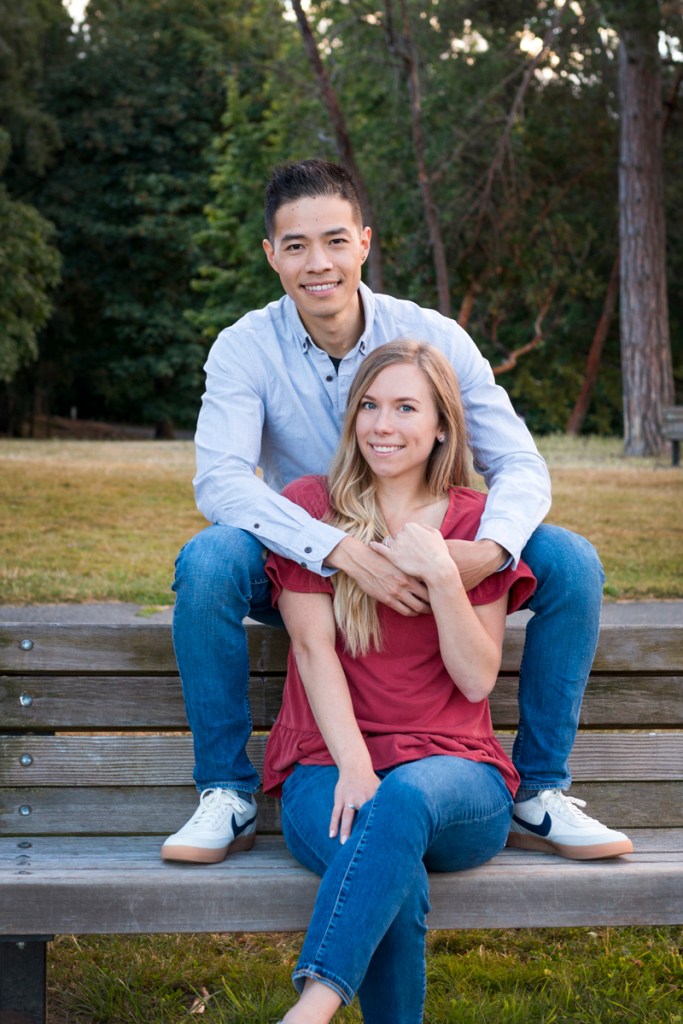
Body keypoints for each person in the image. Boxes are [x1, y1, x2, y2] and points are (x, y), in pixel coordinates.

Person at [162, 158, 632, 864]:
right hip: (302, 559)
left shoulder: (429, 335)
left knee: (568, 560)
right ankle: (227, 792)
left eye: (334, 240)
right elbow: (222, 480)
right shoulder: (244, 347)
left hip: (427, 546)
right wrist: (335, 548)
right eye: (295, 246)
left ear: (364, 242)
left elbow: (521, 464)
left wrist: (490, 550)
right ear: (271, 256)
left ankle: (538, 788)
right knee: (206, 562)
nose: (317, 263)